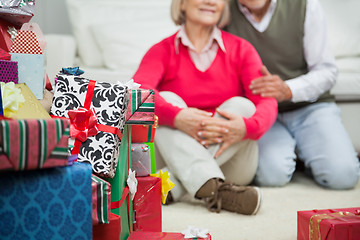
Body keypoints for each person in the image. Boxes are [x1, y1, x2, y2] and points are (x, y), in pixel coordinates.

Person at [132, 0, 277, 215]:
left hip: (231, 161)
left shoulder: (242, 49)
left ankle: (171, 184)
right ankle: (216, 190)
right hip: (175, 152)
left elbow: (267, 102)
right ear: (182, 4)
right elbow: (137, 94)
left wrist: (246, 128)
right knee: (165, 100)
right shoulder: (161, 50)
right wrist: (177, 116)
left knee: (243, 106)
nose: (210, 1)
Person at [223, 0, 359, 189]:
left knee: (344, 176)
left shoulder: (304, 5)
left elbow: (326, 71)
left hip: (310, 106)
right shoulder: (222, 10)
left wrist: (288, 90)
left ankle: (306, 153)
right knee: (271, 176)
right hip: (261, 112)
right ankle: (299, 155)